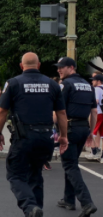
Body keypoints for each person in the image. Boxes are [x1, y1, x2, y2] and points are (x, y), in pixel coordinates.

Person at [0, 52, 68, 217]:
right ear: (39, 65)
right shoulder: (53, 84)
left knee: (15, 174)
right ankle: (36, 210)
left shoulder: (13, 83)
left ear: (21, 66)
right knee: (36, 174)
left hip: (24, 137)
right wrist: (63, 136)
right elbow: (62, 113)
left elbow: (2, 111)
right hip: (46, 138)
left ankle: (30, 207)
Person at [54, 57, 98, 216]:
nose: (59, 70)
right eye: (58, 67)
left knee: (70, 166)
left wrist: (59, 132)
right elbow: (94, 112)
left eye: (61, 67)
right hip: (83, 129)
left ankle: (87, 202)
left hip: (69, 128)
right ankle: (68, 199)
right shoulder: (87, 85)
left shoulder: (65, 84)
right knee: (71, 162)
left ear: (71, 67)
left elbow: (60, 111)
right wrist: (91, 132)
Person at [86, 73, 103, 162]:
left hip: (98, 113)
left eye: (93, 80)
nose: (92, 81)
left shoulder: (97, 89)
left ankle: (94, 152)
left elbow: (95, 101)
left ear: (98, 81)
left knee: (92, 132)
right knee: (102, 135)